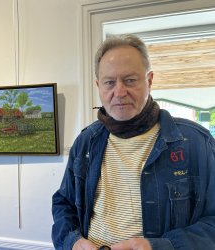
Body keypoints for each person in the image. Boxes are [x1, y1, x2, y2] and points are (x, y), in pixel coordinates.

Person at [51, 34, 215, 250]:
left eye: (130, 80)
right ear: (98, 85)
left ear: (149, 80)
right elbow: (64, 203)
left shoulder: (195, 143)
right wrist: (73, 242)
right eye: (109, 82)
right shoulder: (85, 142)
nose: (119, 92)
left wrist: (159, 247)